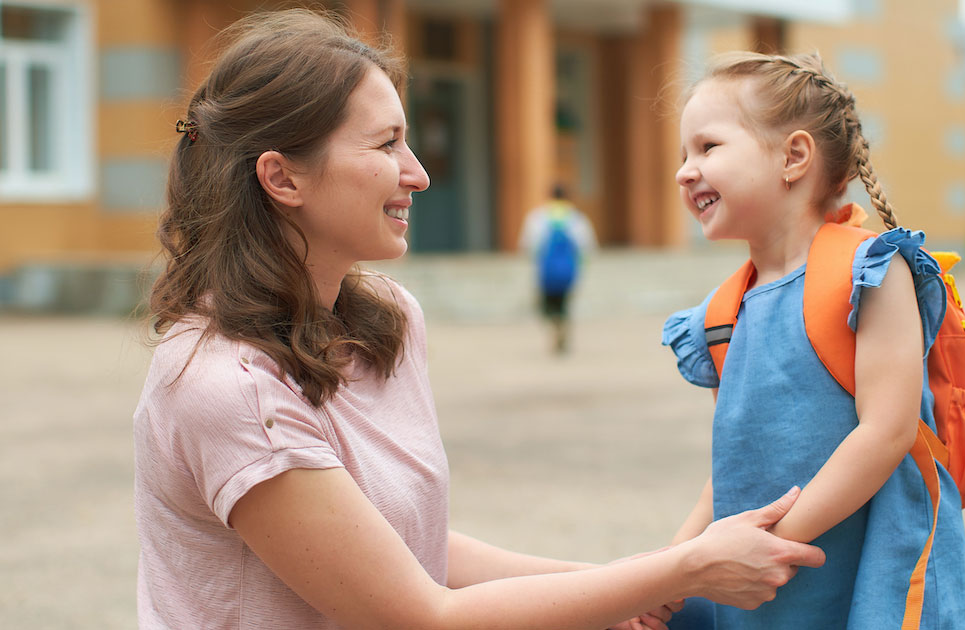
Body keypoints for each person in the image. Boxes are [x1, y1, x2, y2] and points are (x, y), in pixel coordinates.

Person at [133, 11, 826, 630]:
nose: (418, 174)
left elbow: (417, 552)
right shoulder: (226, 388)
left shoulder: (386, 321)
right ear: (282, 178)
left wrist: (620, 592)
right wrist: (683, 570)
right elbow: (418, 613)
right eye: (385, 146)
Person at [662, 52, 965, 628]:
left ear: (794, 156)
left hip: (867, 568)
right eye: (683, 154)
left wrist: (775, 544)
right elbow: (731, 467)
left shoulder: (872, 271)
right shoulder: (721, 311)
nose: (685, 170)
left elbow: (887, 432)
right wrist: (676, 567)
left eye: (708, 148)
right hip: (759, 580)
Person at [519, 184, 596, 354]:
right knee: (564, 303)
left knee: (547, 304)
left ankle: (555, 324)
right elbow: (587, 246)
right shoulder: (576, 218)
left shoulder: (538, 217)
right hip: (569, 271)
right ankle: (562, 324)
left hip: (546, 272)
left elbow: (528, 245)